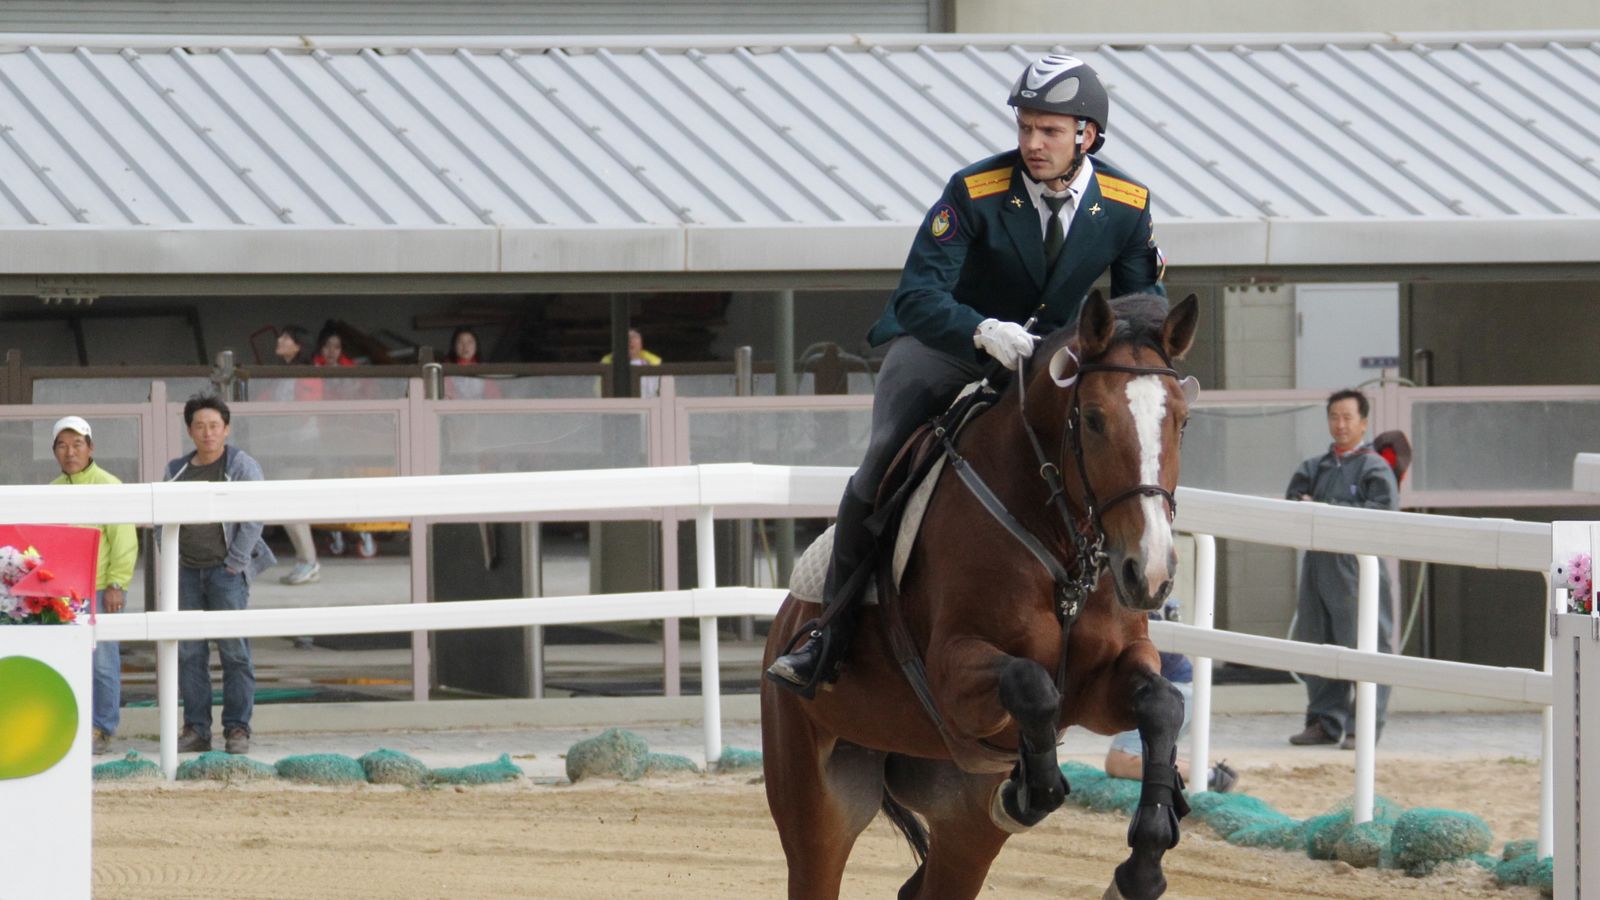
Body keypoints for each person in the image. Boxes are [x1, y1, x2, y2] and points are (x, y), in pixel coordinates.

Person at [767, 54, 1166, 696]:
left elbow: (1144, 307)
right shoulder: (974, 190)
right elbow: (918, 295)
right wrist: (982, 329)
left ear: (1087, 135)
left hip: (1045, 356)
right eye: (1026, 128)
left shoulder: (1126, 203)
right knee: (879, 463)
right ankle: (829, 638)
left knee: (1109, 455)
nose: (1032, 143)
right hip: (945, 345)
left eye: (1050, 131)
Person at [1285, 389, 1398, 750]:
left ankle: (1363, 726)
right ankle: (1323, 721)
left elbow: (1380, 514)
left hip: (1356, 564)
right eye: (1334, 416)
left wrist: (1321, 504)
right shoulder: (1314, 466)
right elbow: (1292, 504)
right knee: (1315, 639)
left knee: (1365, 642)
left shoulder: (1374, 467)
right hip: (1317, 562)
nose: (1341, 424)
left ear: (1363, 422)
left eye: (1348, 417)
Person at [167, 394, 276, 755]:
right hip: (185, 573)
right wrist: (172, 559)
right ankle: (196, 729)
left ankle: (237, 729)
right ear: (189, 430)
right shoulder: (176, 469)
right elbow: (159, 521)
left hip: (226, 573)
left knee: (235, 651)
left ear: (226, 429)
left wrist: (235, 563)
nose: (208, 432)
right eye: (200, 425)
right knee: (189, 653)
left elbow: (255, 515)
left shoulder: (243, 465)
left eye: (214, 425)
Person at [49, 416, 138, 755]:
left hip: (102, 588)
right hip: (65, 591)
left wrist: (117, 583)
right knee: (67, 658)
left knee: (103, 663)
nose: (70, 452)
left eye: (77, 444)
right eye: (62, 445)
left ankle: (102, 727)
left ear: (91, 447)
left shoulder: (109, 485)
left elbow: (125, 542)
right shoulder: (53, 491)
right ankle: (74, 724)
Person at [1102, 600, 1238, 793]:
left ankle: (1209, 776)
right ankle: (1211, 774)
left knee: (1121, 761)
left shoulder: (1126, 606)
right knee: (1143, 756)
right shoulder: (1133, 602)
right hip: (1179, 690)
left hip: (1171, 690)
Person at [312, 325, 376, 558]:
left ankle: (352, 526)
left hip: (349, 434)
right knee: (327, 480)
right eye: (327, 345)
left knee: (350, 478)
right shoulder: (312, 370)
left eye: (336, 346)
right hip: (322, 434)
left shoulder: (352, 371)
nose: (331, 351)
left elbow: (365, 398)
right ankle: (333, 528)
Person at [269, 325, 321, 586]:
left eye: (287, 337)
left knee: (289, 503)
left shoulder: (306, 374)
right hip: (290, 447)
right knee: (289, 503)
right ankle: (306, 561)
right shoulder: (285, 374)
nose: (281, 340)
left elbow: (303, 411)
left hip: (305, 447)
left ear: (299, 345)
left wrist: (277, 420)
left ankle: (309, 561)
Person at [600, 328, 662, 398]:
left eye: (635, 336)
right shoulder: (605, 364)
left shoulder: (654, 364)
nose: (630, 340)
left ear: (641, 342)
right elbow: (599, 391)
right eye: (625, 337)